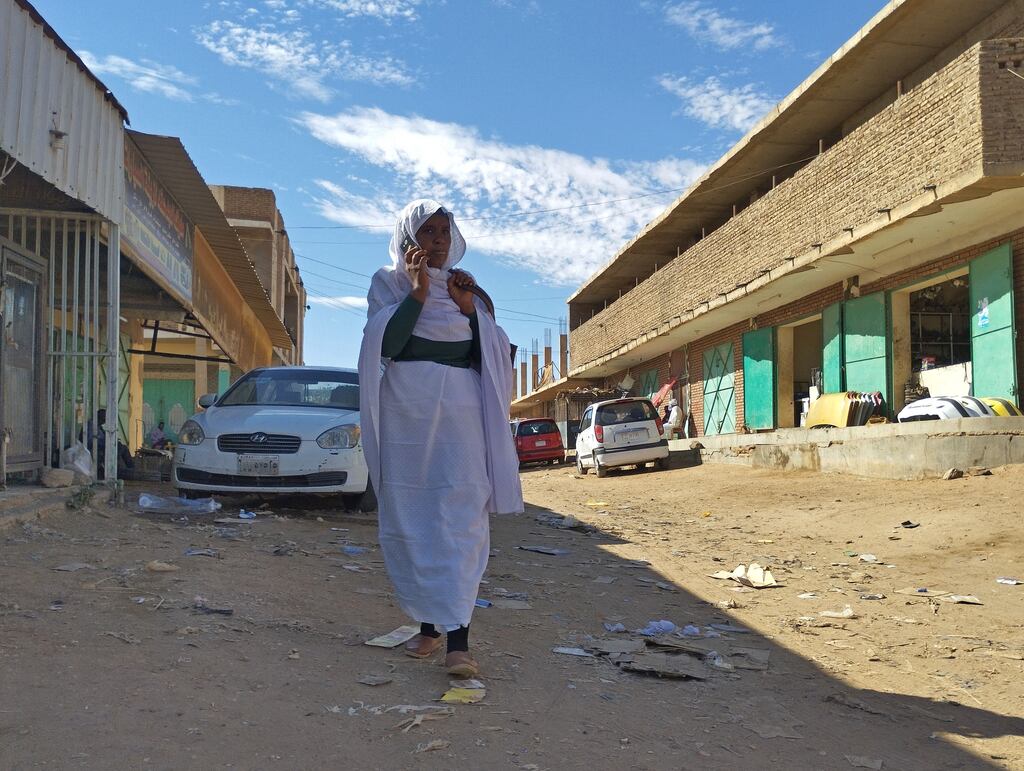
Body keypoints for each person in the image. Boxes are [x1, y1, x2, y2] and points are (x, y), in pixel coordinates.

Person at [358, 199, 523, 679]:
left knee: (460, 515)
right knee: (416, 516)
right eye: (427, 232)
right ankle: (429, 629)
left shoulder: (467, 288)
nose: (436, 241)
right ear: (409, 237)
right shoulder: (386, 283)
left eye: (443, 233)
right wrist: (414, 294)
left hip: (461, 415)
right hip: (407, 412)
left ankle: (459, 642)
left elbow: (487, 355)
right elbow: (387, 346)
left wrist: (470, 310)